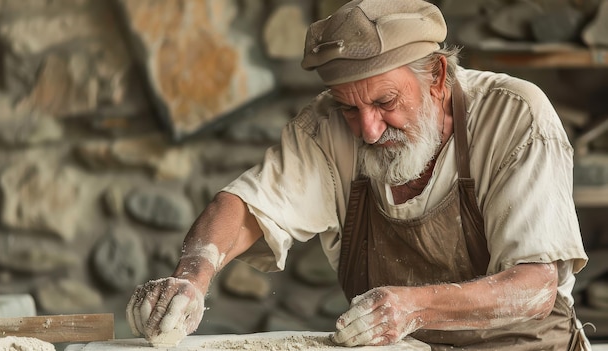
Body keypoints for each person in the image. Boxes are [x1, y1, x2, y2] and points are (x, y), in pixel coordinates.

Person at [126, 0, 591, 349]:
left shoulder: (516, 117)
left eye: (385, 103)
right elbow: (247, 206)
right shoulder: (325, 128)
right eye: (350, 107)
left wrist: (416, 306)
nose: (368, 129)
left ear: (437, 76)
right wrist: (193, 276)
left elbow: (533, 286)